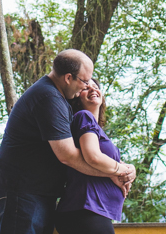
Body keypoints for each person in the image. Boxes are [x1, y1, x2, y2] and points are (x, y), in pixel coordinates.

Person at [0, 49, 136, 234]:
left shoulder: (58, 100)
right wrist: (115, 171)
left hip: (40, 193)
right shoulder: (49, 97)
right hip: (22, 190)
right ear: (68, 78)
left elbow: (86, 150)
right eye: (85, 82)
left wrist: (122, 168)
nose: (87, 87)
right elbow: (68, 155)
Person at [54, 78, 126, 234]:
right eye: (86, 88)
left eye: (96, 86)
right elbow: (93, 156)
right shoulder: (84, 117)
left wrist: (129, 169)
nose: (93, 89)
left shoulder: (94, 128)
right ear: (76, 97)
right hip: (85, 210)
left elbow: (110, 161)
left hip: (91, 211)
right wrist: (121, 171)